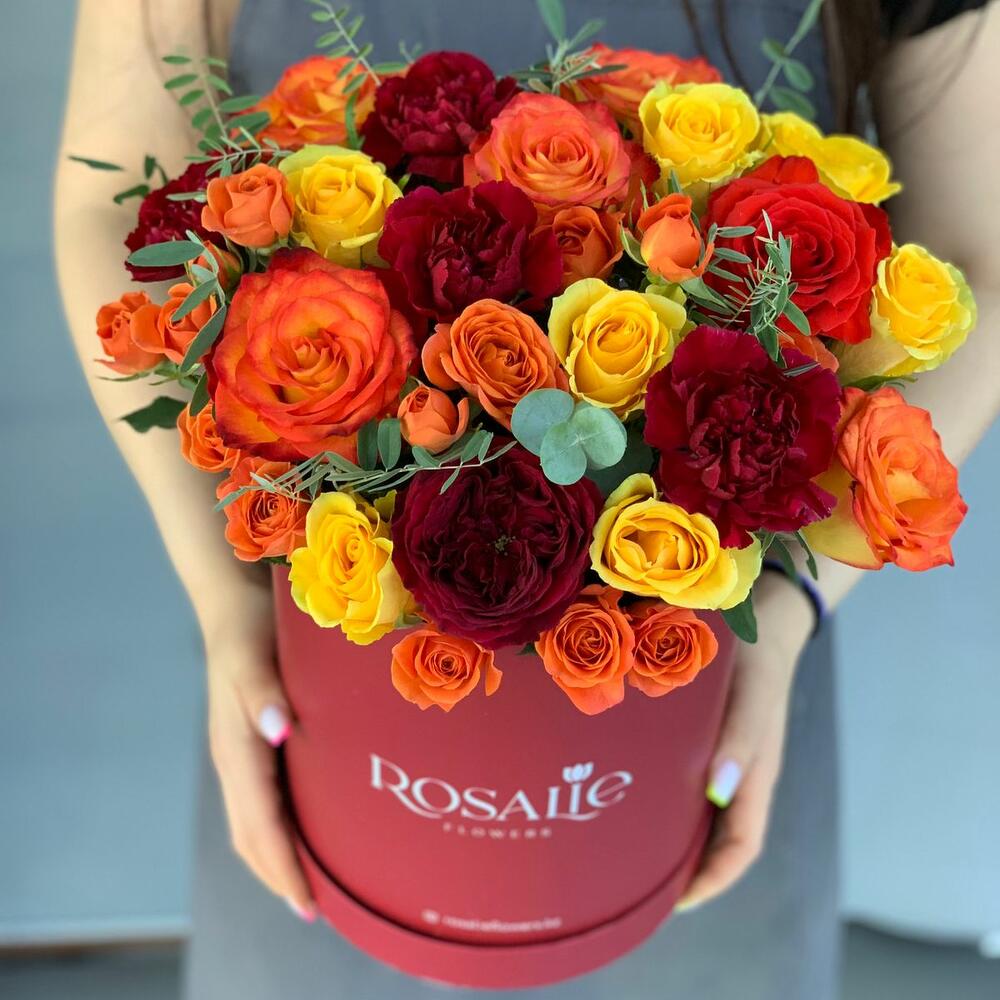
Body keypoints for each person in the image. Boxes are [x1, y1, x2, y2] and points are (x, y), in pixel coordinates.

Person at [55, 1, 998, 997]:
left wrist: (790, 606)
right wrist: (227, 600)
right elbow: (107, 206)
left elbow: (979, 259)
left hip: (700, 705)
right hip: (328, 698)